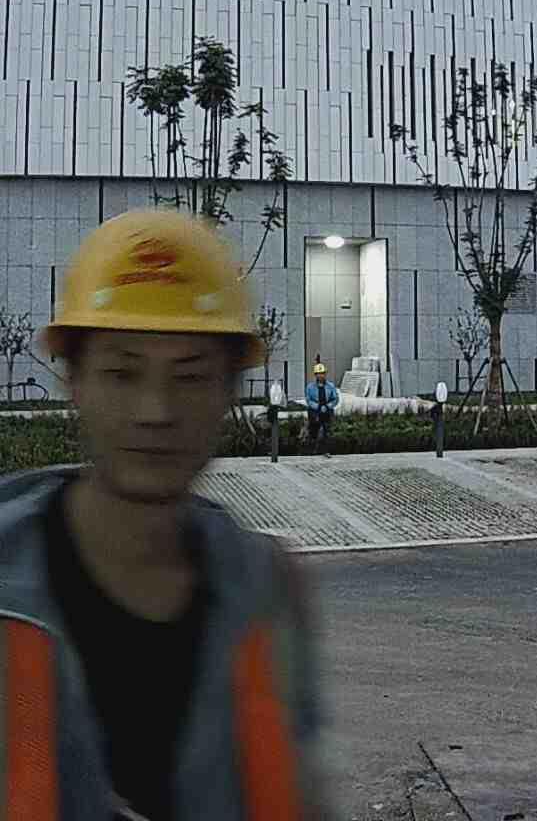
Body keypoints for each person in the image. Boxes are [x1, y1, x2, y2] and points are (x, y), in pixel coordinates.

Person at [0, 209, 332, 821]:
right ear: (74, 381)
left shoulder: (266, 590)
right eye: (122, 373)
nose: (155, 410)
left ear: (229, 391)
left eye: (190, 376)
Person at [305, 363, 339, 452]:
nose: (321, 375)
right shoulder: (310, 387)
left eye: (323, 373)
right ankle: (312, 450)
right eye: (319, 374)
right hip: (315, 412)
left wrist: (328, 406)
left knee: (327, 432)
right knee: (313, 432)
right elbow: (308, 400)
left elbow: (335, 399)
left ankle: (326, 450)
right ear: (315, 375)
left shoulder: (330, 386)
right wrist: (318, 407)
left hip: (327, 411)